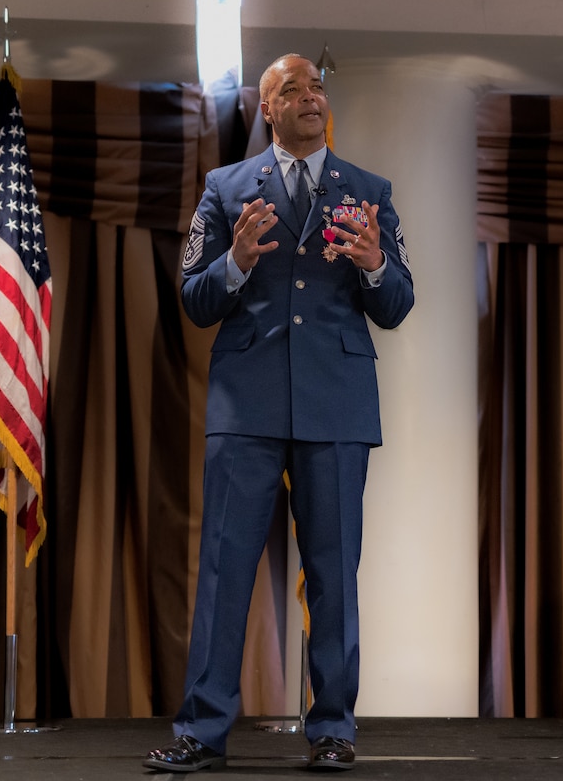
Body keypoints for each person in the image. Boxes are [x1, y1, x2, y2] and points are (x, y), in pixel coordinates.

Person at [145, 53, 415, 773]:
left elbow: (397, 304)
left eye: (316, 85)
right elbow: (196, 299)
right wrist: (232, 260)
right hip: (248, 401)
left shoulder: (368, 192)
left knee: (333, 575)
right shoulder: (226, 188)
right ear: (267, 109)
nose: (309, 96)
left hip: (336, 402)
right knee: (225, 570)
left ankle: (333, 730)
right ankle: (201, 731)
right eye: (290, 89)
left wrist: (374, 264)